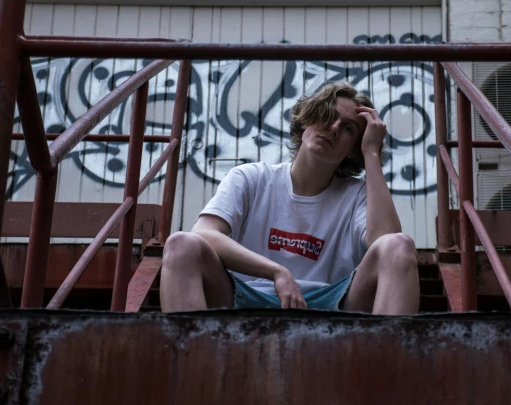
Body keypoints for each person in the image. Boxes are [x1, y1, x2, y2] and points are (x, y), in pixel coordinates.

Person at [160, 82, 420, 314]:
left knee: (399, 246)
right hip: (244, 293)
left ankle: (387, 366)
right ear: (307, 120)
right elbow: (205, 233)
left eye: (348, 128)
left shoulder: (357, 194)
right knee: (181, 244)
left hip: (332, 301)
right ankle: (191, 364)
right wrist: (276, 272)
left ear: (353, 149)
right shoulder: (252, 177)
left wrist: (371, 154)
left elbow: (385, 242)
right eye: (327, 116)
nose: (333, 128)